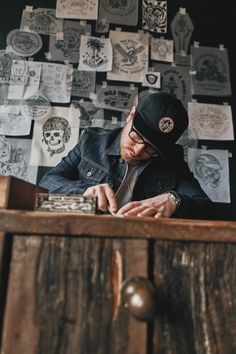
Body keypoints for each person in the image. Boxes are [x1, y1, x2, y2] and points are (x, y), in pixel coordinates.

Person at [39, 92, 213, 219]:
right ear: (131, 115)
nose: (138, 150)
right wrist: (83, 191)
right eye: (136, 137)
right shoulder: (91, 141)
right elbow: (46, 184)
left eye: (151, 149)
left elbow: (206, 208)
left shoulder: (171, 160)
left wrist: (174, 200)